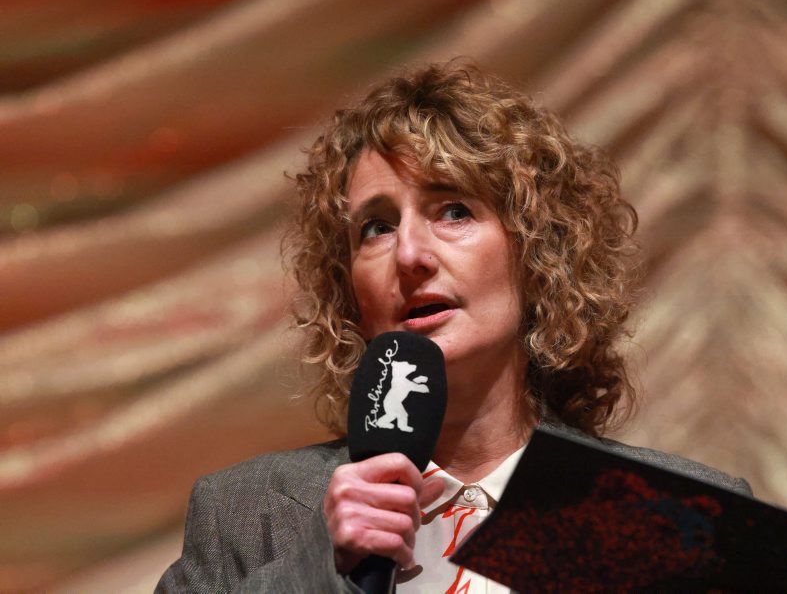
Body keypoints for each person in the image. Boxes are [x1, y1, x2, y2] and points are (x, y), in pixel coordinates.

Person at [157, 60, 751, 593]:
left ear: (537, 253)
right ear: (348, 291)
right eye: (376, 228)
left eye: (454, 211)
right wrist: (317, 571)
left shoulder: (683, 519)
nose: (410, 255)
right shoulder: (243, 510)